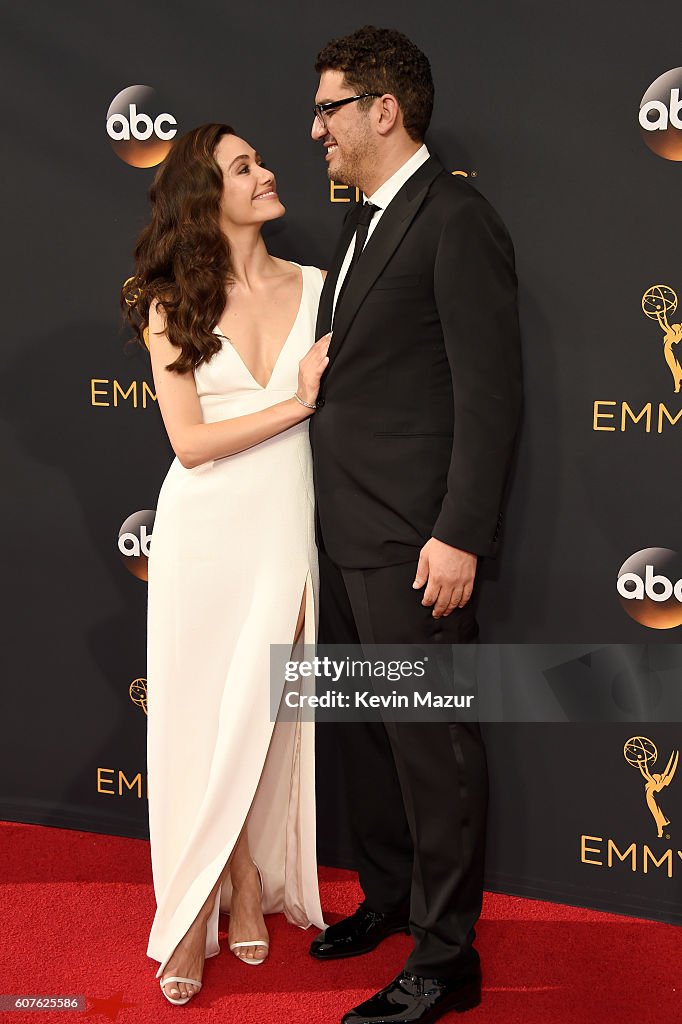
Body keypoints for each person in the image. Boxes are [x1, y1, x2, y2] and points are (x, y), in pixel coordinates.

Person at [307, 26, 523, 1024]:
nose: (316, 129)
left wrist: (460, 533)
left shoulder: (454, 216)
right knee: (367, 741)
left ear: (382, 110)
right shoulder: (362, 226)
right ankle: (390, 896)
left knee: (431, 752)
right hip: (345, 533)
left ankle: (444, 958)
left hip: (415, 543)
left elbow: (489, 395)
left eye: (329, 109)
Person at [122, 123, 329, 1006]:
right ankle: (217, 890)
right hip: (200, 533)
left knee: (258, 711)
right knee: (203, 720)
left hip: (282, 523)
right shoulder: (167, 302)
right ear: (206, 197)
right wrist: (297, 403)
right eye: (244, 166)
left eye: (259, 160)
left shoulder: (321, 289)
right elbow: (190, 443)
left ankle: (234, 882)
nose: (268, 170)